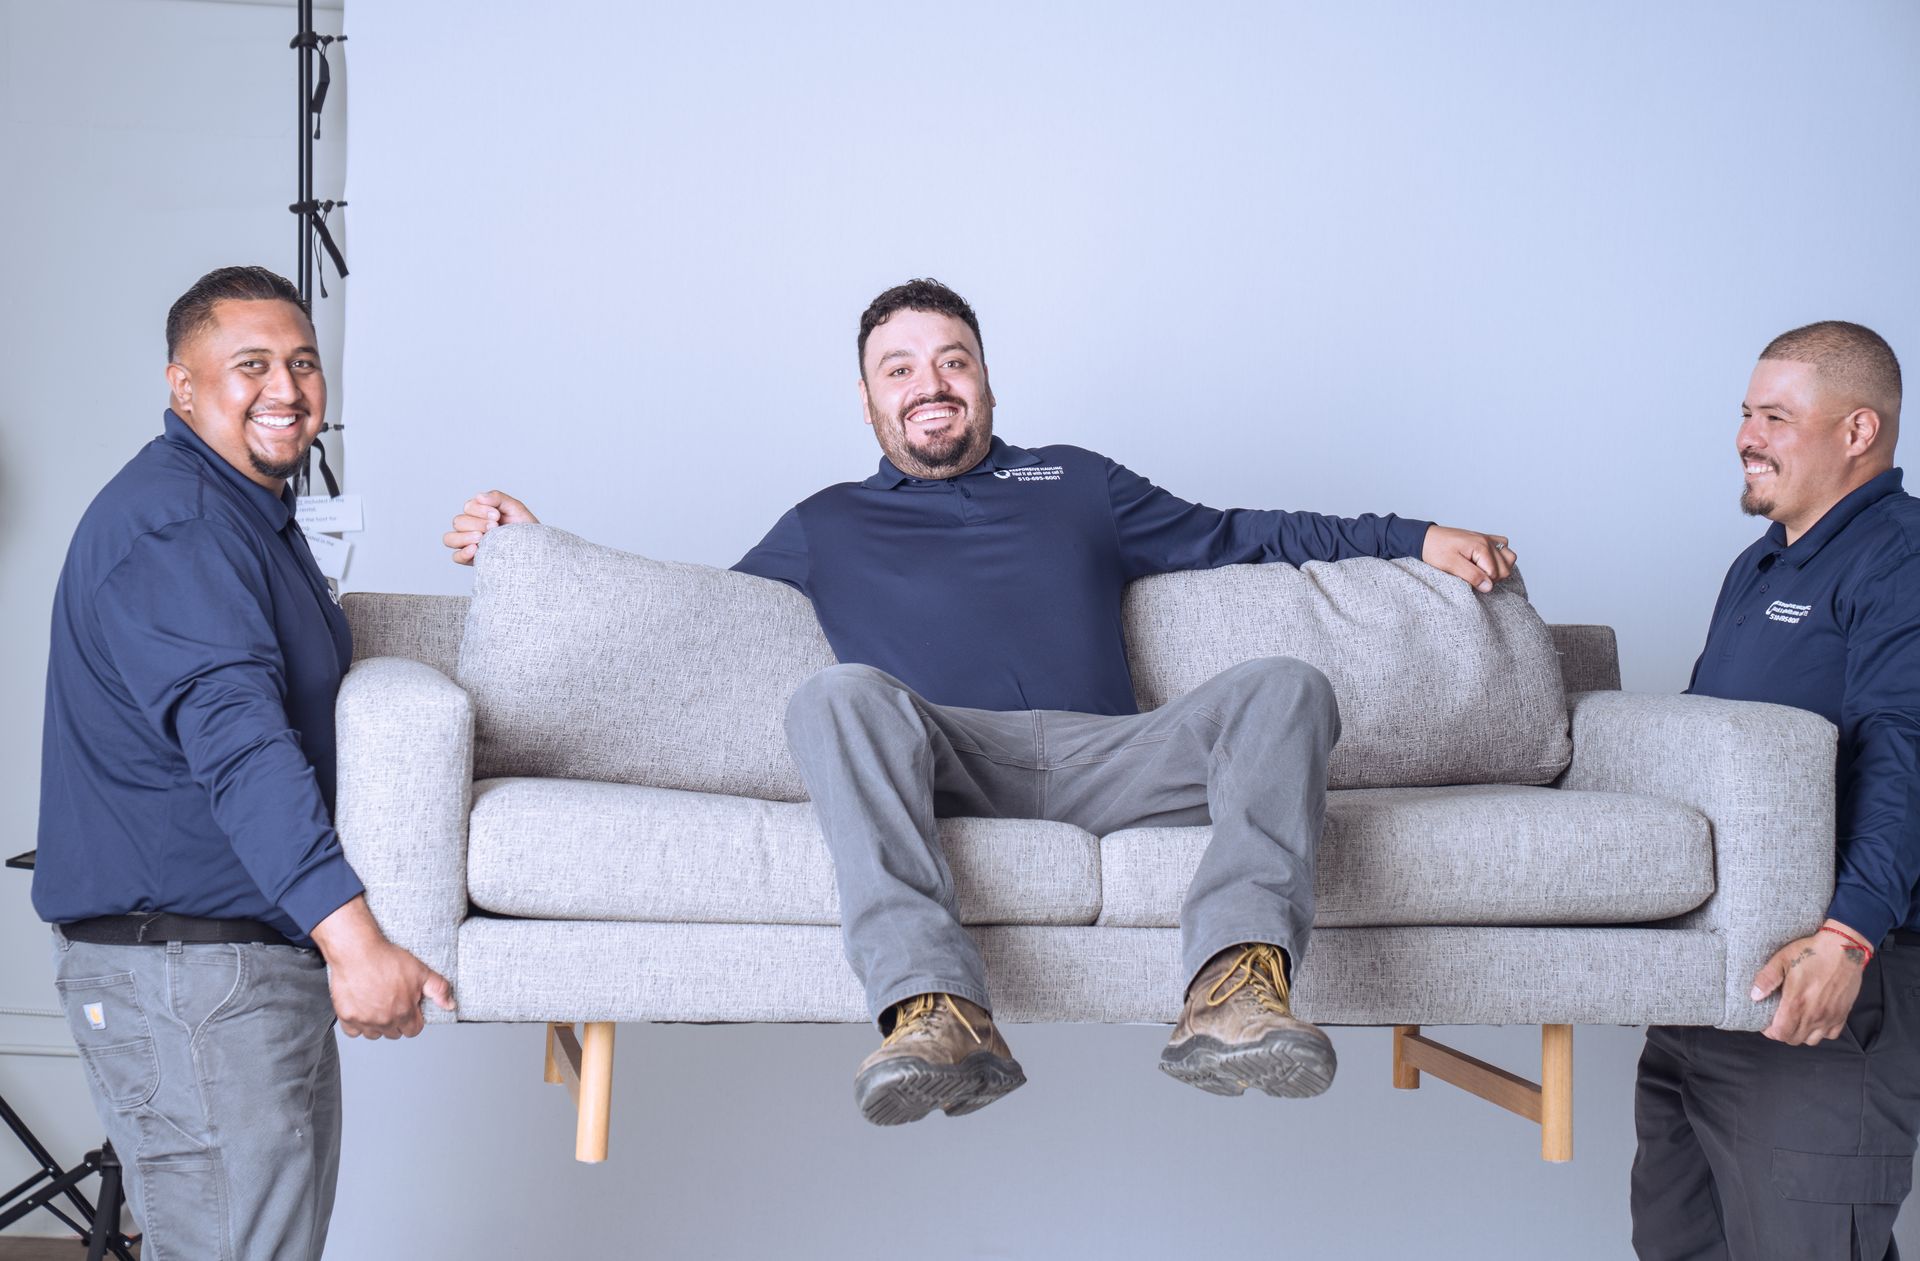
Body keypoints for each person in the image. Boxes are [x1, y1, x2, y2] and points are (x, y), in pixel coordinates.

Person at [444, 278, 1516, 1125]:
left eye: (952, 360)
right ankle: (938, 1013)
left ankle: (1235, 991)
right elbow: (691, 622)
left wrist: (1411, 535)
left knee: (1287, 685)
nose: (930, 382)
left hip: (1114, 755)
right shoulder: (825, 521)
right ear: (867, 402)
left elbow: (1245, 531)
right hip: (951, 760)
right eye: (899, 368)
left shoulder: (1078, 481)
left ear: (988, 382)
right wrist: (538, 546)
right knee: (839, 695)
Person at [36, 266, 453, 1259]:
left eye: (303, 363)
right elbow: (241, 744)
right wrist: (353, 940)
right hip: (186, 973)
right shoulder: (177, 524)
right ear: (183, 385)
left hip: (240, 965)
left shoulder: (243, 517)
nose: (288, 388)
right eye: (251, 365)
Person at [1631, 321, 1920, 1260]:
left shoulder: (1901, 561)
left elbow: (1904, 750)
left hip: (1827, 1000)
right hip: (1707, 1000)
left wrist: (1847, 937)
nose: (1749, 435)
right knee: (1675, 1243)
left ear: (1857, 431)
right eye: (1746, 414)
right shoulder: (1757, 565)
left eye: (1776, 416)